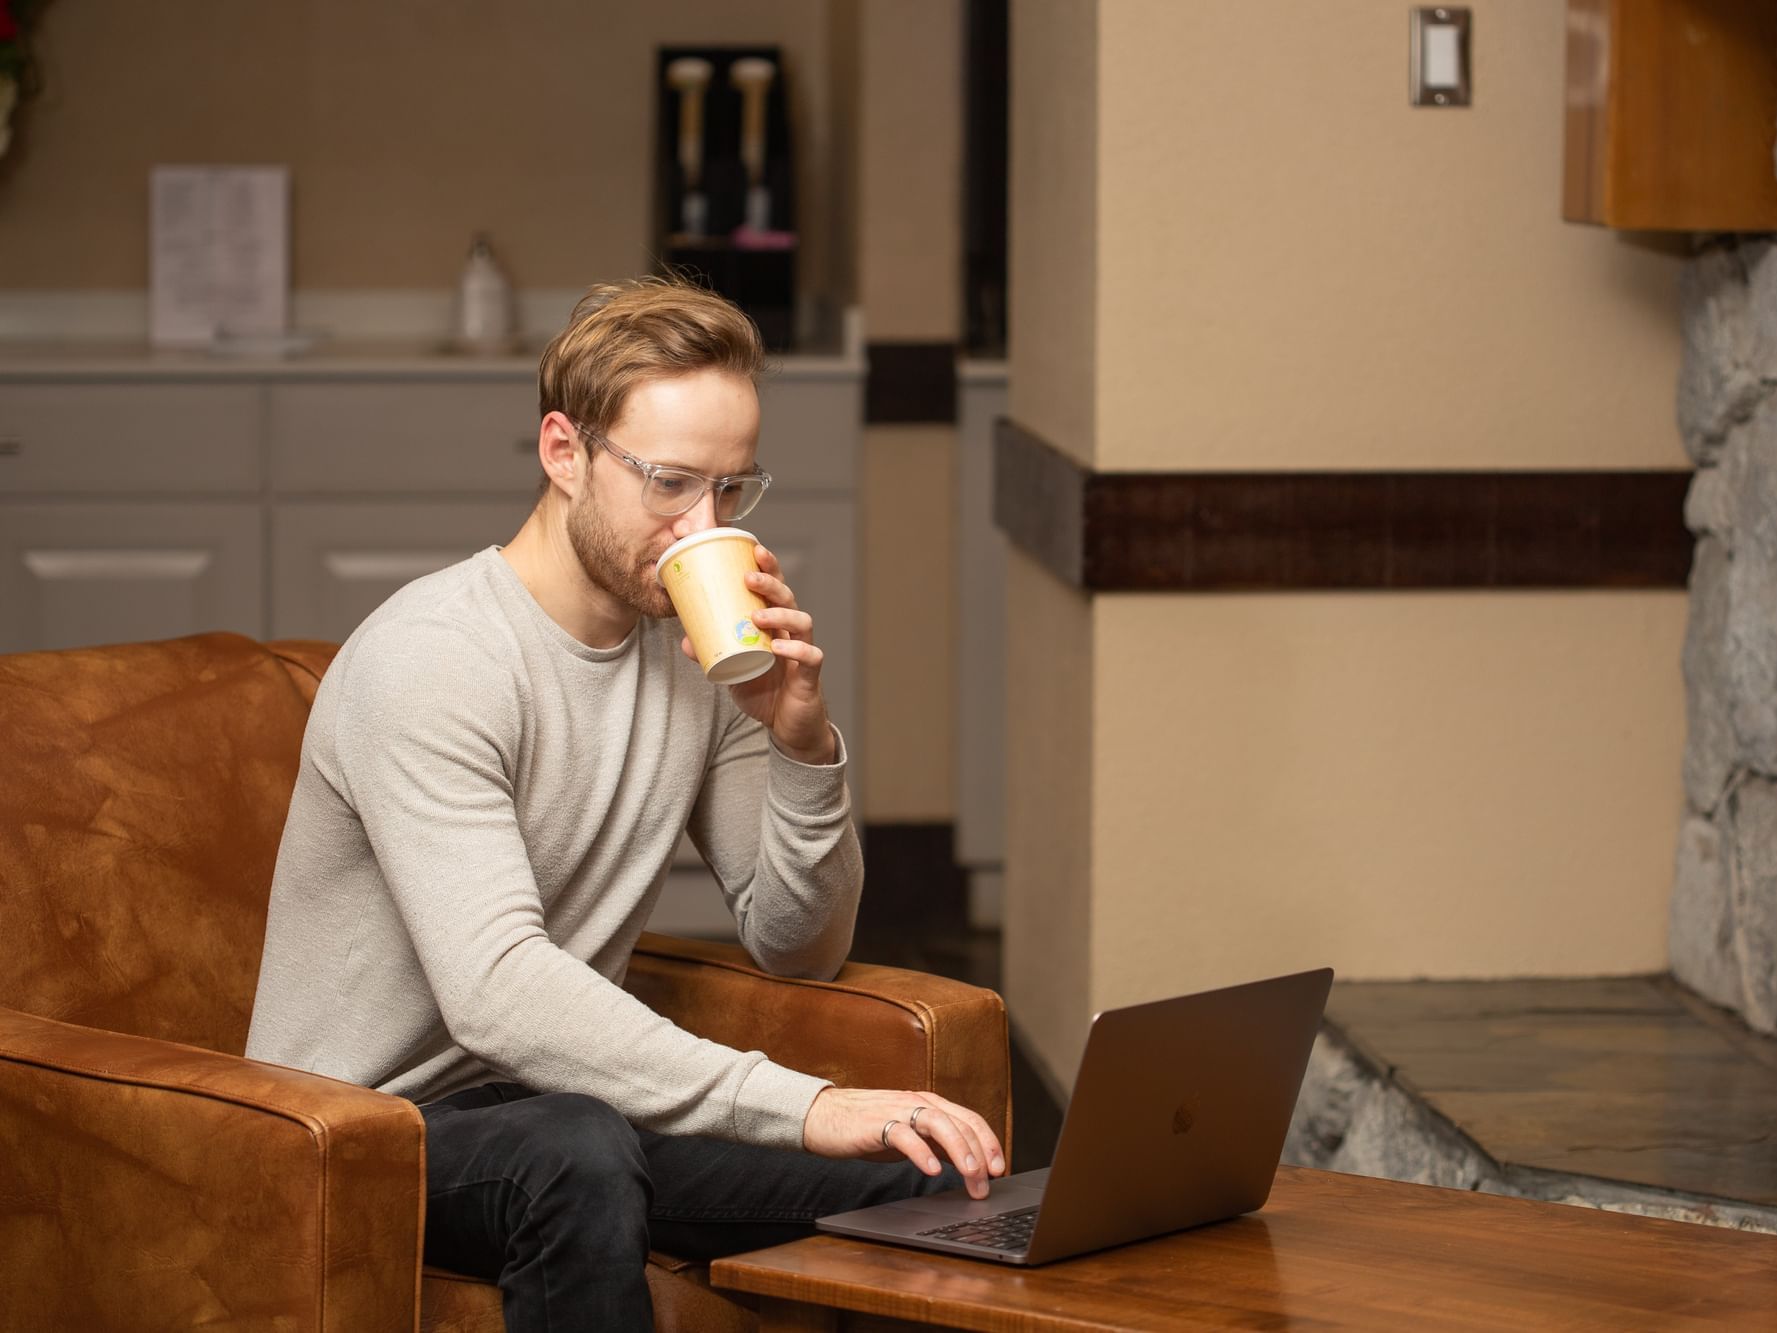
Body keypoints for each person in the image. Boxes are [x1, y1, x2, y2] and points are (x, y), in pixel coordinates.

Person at [245, 276, 1006, 1331]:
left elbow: (799, 948)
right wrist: (808, 1104)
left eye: (731, 491)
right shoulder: (434, 660)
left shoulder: (700, 657)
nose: (701, 526)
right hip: (355, 1127)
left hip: (561, 1096)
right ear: (564, 452)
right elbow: (499, 991)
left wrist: (800, 742)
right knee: (576, 1147)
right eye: (669, 485)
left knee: (926, 1180)